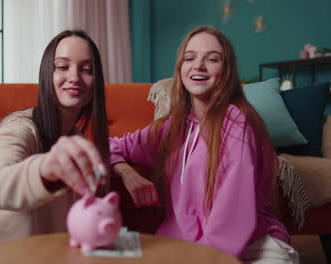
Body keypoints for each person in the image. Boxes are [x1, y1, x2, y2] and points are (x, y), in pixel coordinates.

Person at [109, 25, 299, 263]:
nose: (198, 65)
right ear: (181, 69)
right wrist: (125, 171)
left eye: (212, 59)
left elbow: (234, 216)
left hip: (252, 244)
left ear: (226, 70)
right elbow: (108, 145)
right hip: (186, 246)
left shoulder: (236, 121)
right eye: (190, 58)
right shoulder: (172, 128)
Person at [0, 29, 109, 263]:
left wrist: (123, 170)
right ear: (47, 73)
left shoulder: (80, 143)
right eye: (63, 67)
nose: (75, 77)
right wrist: (46, 169)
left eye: (86, 69)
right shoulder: (19, 128)